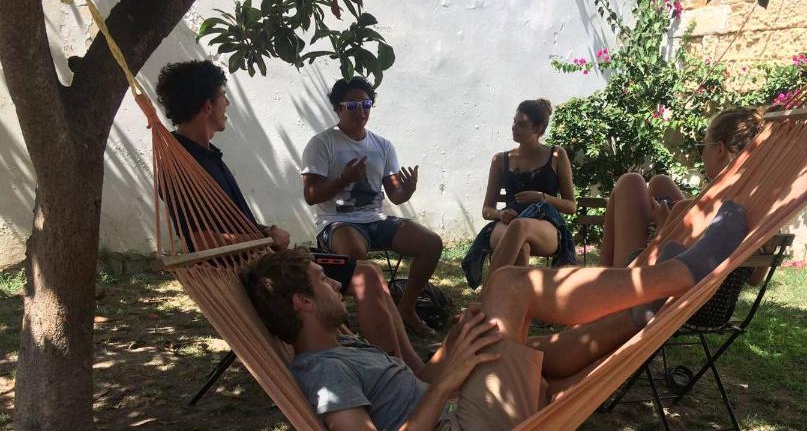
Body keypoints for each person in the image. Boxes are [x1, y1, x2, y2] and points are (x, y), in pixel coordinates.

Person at [241, 200, 748, 431]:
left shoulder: (343, 348)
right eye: (323, 282)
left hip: (455, 420)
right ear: (302, 303)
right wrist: (449, 384)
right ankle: (677, 275)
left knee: (523, 342)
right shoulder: (325, 373)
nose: (336, 285)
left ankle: (642, 312)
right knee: (507, 284)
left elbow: (413, 389)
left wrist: (452, 350)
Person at [155, 60, 424, 370]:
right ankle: (401, 372)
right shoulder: (183, 165)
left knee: (371, 271)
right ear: (207, 105)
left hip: (259, 259)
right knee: (365, 276)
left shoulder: (204, 155)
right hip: (254, 274)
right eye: (222, 96)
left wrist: (264, 230)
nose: (227, 103)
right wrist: (264, 237)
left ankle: (409, 367)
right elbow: (201, 241)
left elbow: (225, 222)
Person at [301, 76, 443, 335]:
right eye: (353, 105)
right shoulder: (322, 143)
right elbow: (311, 195)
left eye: (366, 104)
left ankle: (406, 308)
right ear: (338, 109)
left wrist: (407, 189)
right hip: (337, 222)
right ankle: (375, 321)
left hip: (376, 220)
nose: (361, 111)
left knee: (431, 243)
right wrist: (343, 180)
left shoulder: (383, 145)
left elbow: (395, 195)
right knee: (357, 256)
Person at [599, 107, 765, 271]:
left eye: (702, 146)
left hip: (651, 281)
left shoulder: (688, 209)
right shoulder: (763, 212)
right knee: (660, 182)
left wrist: (663, 225)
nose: (701, 154)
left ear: (720, 150)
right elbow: (755, 279)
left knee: (630, 182)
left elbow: (659, 262)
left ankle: (603, 279)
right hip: (720, 285)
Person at [462, 99, 577, 289]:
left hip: (545, 223)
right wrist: (500, 214)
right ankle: (518, 302)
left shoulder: (556, 155)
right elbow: (486, 210)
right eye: (514, 121)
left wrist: (541, 197)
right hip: (507, 222)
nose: (514, 127)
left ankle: (487, 297)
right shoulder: (500, 160)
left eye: (521, 124)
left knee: (520, 226)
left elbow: (571, 206)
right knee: (520, 246)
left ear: (538, 128)